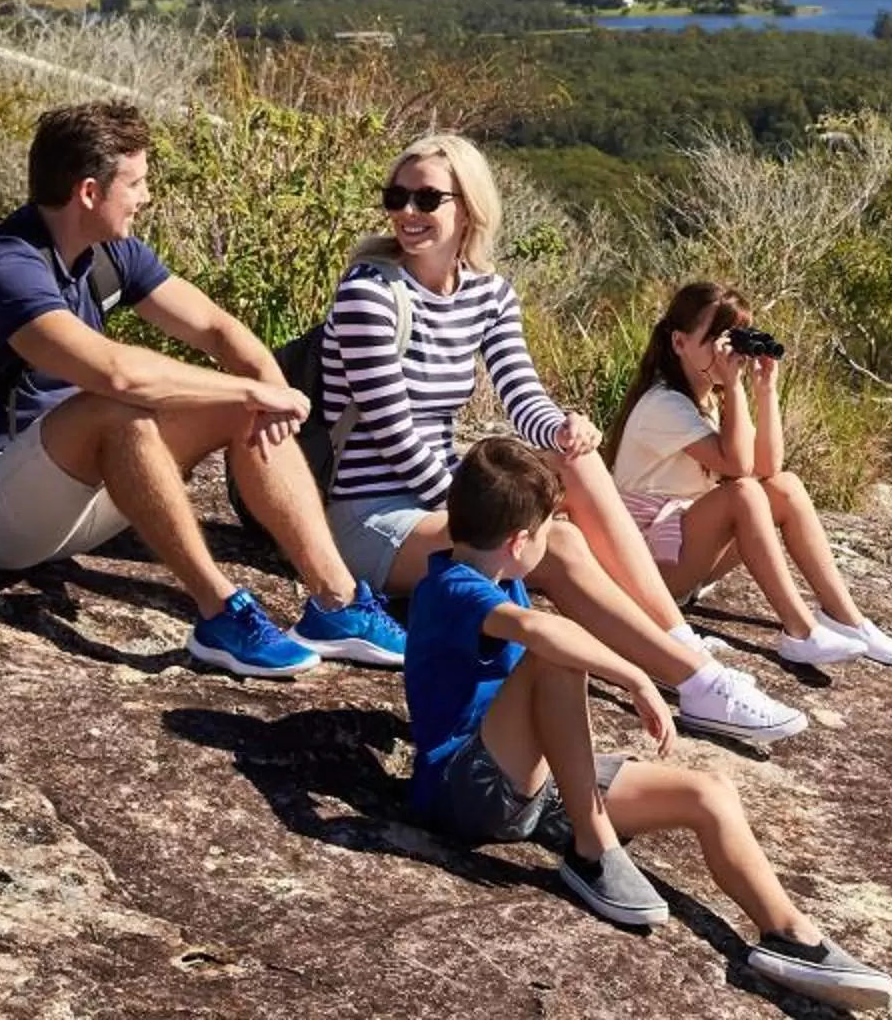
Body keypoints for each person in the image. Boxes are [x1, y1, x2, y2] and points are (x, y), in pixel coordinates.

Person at [318, 132, 806, 746]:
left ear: (468, 208)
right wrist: (495, 513)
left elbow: (521, 393)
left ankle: (677, 641)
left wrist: (562, 428)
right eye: (397, 197)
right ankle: (697, 681)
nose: (407, 212)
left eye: (426, 199)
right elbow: (394, 438)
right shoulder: (369, 293)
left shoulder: (488, 294)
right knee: (556, 545)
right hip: (375, 517)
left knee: (577, 461)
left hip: (443, 501)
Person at [0, 99, 404, 679]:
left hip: (72, 498)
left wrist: (268, 393)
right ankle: (219, 613)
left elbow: (217, 329)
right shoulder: (5, 268)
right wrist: (249, 393)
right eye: (136, 183)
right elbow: (116, 373)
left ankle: (338, 603)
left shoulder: (108, 254)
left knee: (240, 407)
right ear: (89, 192)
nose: (146, 197)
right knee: (120, 406)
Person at [407, 437, 892, 1011]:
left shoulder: (495, 572)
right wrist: (635, 677)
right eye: (546, 529)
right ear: (518, 542)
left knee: (708, 793)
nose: (555, 534)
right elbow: (542, 633)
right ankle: (593, 848)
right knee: (553, 657)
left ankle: (790, 936)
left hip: (534, 783)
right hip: (464, 790)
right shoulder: (450, 587)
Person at [607, 283, 892, 668]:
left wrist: (766, 390)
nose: (728, 352)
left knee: (786, 488)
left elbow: (768, 468)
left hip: (682, 552)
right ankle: (801, 631)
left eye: (735, 339)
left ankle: (846, 618)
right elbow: (738, 468)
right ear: (680, 342)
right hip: (647, 568)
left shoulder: (707, 401)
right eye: (717, 339)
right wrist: (735, 386)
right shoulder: (663, 403)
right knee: (744, 493)